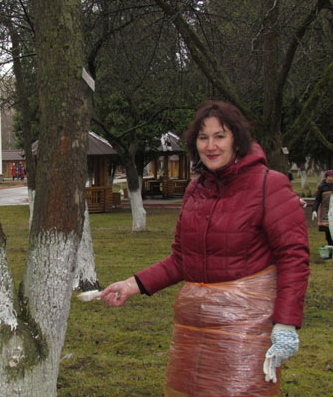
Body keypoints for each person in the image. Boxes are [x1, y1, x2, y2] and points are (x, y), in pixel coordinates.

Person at [101, 100, 310, 396]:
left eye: (220, 136)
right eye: (203, 137)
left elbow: (294, 258)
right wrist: (132, 284)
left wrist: (286, 324)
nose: (211, 145)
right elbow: (181, 260)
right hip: (193, 329)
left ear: (237, 139)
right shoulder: (195, 191)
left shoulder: (269, 185)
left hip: (245, 331)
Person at [311, 170, 333, 248]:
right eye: (330, 176)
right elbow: (317, 200)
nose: (331, 178)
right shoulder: (322, 187)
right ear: (326, 177)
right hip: (325, 212)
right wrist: (314, 210)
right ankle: (330, 247)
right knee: (328, 231)